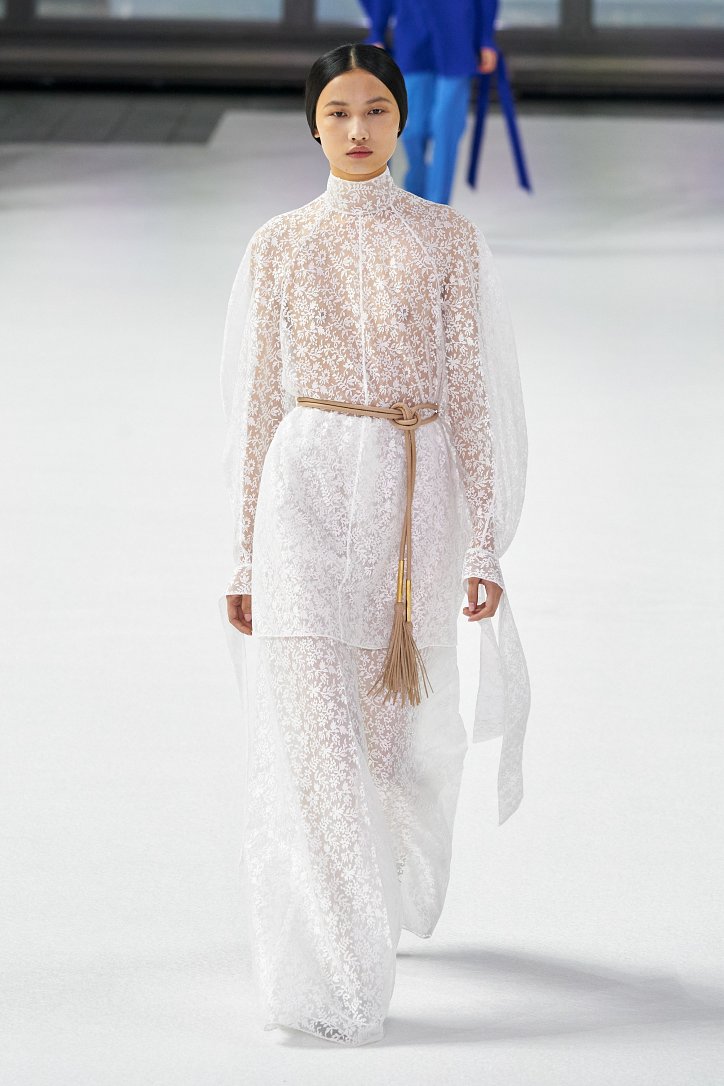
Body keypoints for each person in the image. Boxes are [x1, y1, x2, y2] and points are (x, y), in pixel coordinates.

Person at [219, 42, 529, 1046]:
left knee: (387, 748)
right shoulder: (278, 245)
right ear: (312, 123)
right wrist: (241, 553)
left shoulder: (446, 240)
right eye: (338, 113)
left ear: (402, 119)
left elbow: (471, 396)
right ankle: (335, 975)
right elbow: (255, 406)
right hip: (303, 493)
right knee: (314, 737)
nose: (357, 131)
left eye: (377, 111)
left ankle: (371, 910)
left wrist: (484, 544)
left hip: (410, 505)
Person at [361, 0, 500, 203]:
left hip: (458, 35)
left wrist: (486, 39)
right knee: (412, 129)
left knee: (446, 128)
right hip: (412, 34)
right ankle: (416, 198)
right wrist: (377, 31)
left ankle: (438, 208)